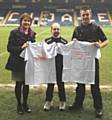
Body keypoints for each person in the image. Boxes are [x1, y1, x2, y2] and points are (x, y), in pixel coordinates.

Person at [68, 7, 109, 118]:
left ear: (90, 15)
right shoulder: (77, 29)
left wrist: (100, 45)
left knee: (94, 85)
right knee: (80, 84)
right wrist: (74, 42)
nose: (85, 16)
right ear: (80, 16)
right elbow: (73, 43)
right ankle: (78, 104)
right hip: (80, 61)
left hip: (92, 61)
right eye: (83, 15)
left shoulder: (96, 28)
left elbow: (106, 40)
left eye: (87, 14)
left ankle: (98, 107)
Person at [5, 13, 36, 115]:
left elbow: (34, 47)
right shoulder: (14, 32)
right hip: (17, 63)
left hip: (27, 63)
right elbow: (9, 48)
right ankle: (19, 104)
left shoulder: (32, 34)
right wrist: (21, 47)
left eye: (28, 21)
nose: (26, 22)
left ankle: (25, 104)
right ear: (21, 21)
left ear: (30, 23)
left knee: (26, 85)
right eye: (25, 20)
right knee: (18, 84)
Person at [43, 23, 68, 111]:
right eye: (54, 29)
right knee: (50, 84)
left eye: (58, 29)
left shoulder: (64, 42)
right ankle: (48, 101)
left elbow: (68, 55)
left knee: (61, 84)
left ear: (60, 30)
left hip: (60, 67)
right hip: (50, 67)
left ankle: (62, 101)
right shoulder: (47, 41)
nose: (56, 31)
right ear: (51, 30)